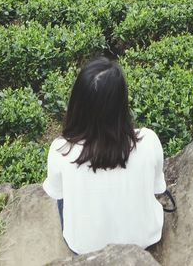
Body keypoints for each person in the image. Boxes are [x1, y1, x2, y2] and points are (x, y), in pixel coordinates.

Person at [42, 57, 167, 255]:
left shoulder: (61, 150)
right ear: (121, 103)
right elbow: (157, 188)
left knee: (63, 198)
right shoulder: (148, 140)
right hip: (144, 241)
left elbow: (57, 193)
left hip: (84, 249)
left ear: (77, 103)